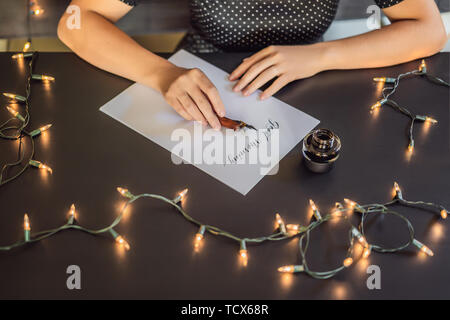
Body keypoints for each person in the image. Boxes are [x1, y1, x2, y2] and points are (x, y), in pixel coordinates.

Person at [58, 0, 447, 130]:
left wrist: (320, 56)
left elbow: (428, 29)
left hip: (316, 84)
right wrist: (161, 73)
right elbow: (77, 22)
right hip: (201, 77)